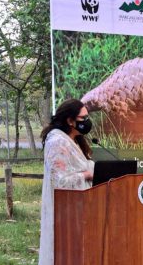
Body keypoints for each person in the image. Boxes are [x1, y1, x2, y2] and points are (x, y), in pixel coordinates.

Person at [38, 99, 95, 265]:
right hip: (65, 213)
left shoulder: (75, 140)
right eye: (83, 118)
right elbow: (59, 183)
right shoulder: (57, 142)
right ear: (70, 121)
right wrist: (85, 175)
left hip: (81, 208)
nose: (87, 122)